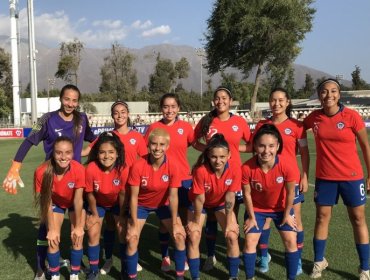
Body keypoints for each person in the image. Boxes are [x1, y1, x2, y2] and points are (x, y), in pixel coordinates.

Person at [2, 84, 95, 280]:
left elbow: (93, 140)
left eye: (74, 100)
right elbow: (29, 141)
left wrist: (85, 155)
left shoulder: (82, 119)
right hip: (52, 178)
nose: (70, 103)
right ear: (61, 99)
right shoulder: (48, 119)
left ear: (78, 102)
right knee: (47, 228)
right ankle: (40, 268)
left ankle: (77, 265)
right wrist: (15, 166)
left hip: (75, 179)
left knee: (79, 227)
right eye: (67, 99)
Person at [304, 78, 370, 279]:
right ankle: (318, 261)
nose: (329, 95)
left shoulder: (352, 117)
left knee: (358, 219)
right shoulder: (313, 118)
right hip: (325, 178)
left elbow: (366, 147)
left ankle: (365, 268)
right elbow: (294, 131)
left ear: (339, 94)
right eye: (324, 91)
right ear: (319, 95)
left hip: (352, 177)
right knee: (321, 218)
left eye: (333, 91)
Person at [244, 88, 309, 274]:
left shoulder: (297, 126)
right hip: (266, 179)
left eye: (281, 100)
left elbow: (304, 153)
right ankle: (264, 256)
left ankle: (296, 260)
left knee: (295, 221)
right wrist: (228, 149)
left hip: (290, 180)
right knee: (263, 221)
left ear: (288, 102)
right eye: (273, 100)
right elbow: (251, 147)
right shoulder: (262, 125)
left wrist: (304, 175)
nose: (277, 104)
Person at [82, 100, 147, 275]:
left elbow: (146, 160)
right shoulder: (107, 136)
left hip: (126, 188)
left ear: (128, 114)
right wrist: (66, 154)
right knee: (109, 226)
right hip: (105, 185)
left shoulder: (137, 137)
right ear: (112, 116)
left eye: (123, 111)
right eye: (116, 112)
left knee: (125, 228)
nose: (120, 115)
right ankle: (108, 259)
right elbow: (89, 151)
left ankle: (131, 260)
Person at [192, 86, 251, 270]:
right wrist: (209, 152)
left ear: (231, 100)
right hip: (210, 175)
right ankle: (210, 256)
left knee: (232, 216)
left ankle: (233, 251)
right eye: (217, 98)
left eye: (224, 98)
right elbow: (194, 141)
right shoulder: (207, 120)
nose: (221, 101)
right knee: (210, 217)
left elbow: (251, 145)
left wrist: (234, 151)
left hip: (234, 176)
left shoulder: (239, 122)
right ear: (213, 101)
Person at [125, 128, 186, 280]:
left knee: (179, 236)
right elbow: (133, 197)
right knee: (131, 237)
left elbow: (173, 197)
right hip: (141, 205)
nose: (157, 148)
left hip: (163, 205)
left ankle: (179, 277)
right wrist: (132, 221)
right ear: (148, 144)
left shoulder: (173, 165)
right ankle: (131, 277)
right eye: (154, 144)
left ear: (167, 146)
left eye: (161, 144)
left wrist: (175, 222)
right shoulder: (138, 165)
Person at [242, 124, 299, 280]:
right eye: (261, 146)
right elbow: (246, 194)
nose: (266, 151)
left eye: (271, 146)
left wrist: (287, 215)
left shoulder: (287, 165)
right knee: (249, 242)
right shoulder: (247, 167)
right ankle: (249, 277)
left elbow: (290, 193)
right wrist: (252, 217)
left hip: (281, 209)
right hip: (257, 210)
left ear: (278, 146)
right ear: (255, 146)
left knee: (290, 241)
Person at [144, 93, 194, 271]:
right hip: (161, 181)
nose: (169, 110)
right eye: (166, 106)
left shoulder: (186, 127)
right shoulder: (153, 127)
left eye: (173, 106)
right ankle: (165, 256)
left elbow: (194, 145)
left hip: (183, 180)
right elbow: (145, 151)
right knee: (165, 221)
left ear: (178, 108)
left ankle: (184, 255)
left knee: (183, 221)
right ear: (161, 109)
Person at [186, 133, 241, 280]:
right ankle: (195, 277)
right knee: (194, 235)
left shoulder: (235, 168)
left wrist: (230, 221)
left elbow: (230, 196)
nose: (218, 161)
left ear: (229, 155)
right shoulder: (201, 170)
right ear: (208, 155)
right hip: (200, 204)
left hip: (220, 203)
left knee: (232, 235)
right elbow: (199, 199)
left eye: (222, 157)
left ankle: (233, 276)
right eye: (214, 157)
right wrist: (196, 222)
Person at [33, 136, 85, 280]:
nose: (63, 157)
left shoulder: (79, 169)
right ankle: (55, 275)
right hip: (55, 204)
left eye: (68, 152)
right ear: (53, 153)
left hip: (74, 204)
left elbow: (78, 199)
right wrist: (52, 229)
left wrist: (79, 226)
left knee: (77, 236)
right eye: (59, 152)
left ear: (73, 153)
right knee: (53, 237)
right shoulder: (42, 171)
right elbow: (47, 202)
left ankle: (74, 274)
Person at [84, 132, 129, 280]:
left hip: (117, 204)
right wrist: (95, 214)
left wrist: (122, 216)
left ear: (117, 154)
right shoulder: (91, 168)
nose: (106, 156)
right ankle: (94, 269)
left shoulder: (122, 168)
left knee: (122, 232)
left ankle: (124, 269)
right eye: (102, 152)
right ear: (96, 154)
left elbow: (123, 195)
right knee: (93, 232)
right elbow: (90, 194)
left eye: (111, 152)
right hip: (98, 204)